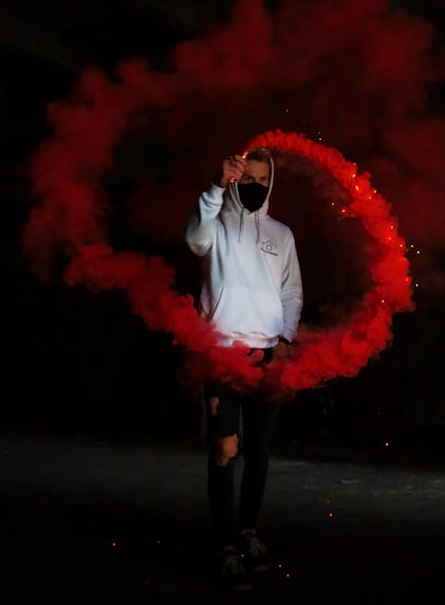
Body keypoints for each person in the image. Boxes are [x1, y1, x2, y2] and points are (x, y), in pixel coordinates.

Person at [185, 147, 303, 592]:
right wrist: (217, 187)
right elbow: (194, 238)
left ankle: (248, 531)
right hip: (222, 352)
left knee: (259, 451)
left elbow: (292, 292)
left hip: (269, 354)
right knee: (224, 450)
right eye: (246, 179)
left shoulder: (282, 234)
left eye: (261, 181)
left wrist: (287, 338)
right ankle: (224, 547)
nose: (254, 187)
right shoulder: (213, 223)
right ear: (234, 179)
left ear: (271, 184)